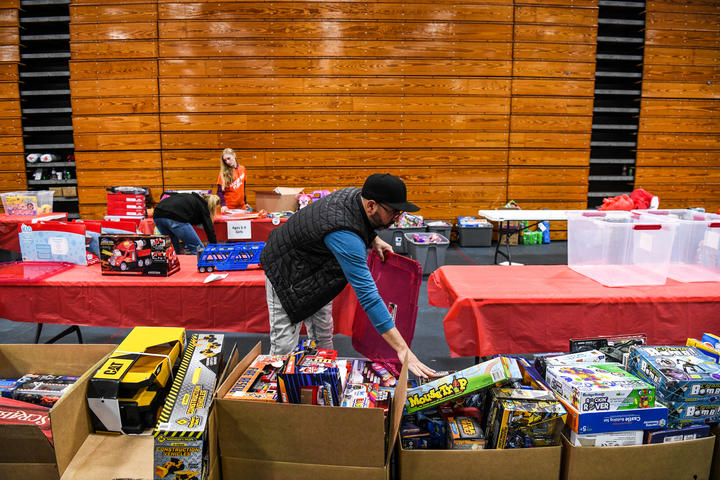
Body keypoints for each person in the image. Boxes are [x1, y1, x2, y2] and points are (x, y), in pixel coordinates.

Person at [260, 173, 436, 378]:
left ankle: (322, 386)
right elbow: (369, 298)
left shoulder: (356, 196)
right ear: (371, 206)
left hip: (315, 273)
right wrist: (402, 349)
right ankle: (273, 401)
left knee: (323, 338)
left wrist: (373, 239)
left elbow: (359, 221)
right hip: (286, 273)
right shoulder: (345, 236)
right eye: (394, 213)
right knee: (283, 350)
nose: (397, 219)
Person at [153, 192, 220, 254]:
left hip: (157, 215)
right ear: (211, 206)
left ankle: (175, 265)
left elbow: (166, 193)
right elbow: (209, 228)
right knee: (197, 248)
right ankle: (203, 266)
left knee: (173, 246)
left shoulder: (188, 196)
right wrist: (214, 247)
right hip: (175, 217)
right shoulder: (203, 206)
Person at [216, 147, 250, 212]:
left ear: (234, 155)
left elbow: (243, 188)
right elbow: (220, 192)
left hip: (242, 207)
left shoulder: (242, 169)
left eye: (229, 158)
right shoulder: (223, 173)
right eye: (225, 160)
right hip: (229, 208)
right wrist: (223, 205)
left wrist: (245, 202)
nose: (227, 162)